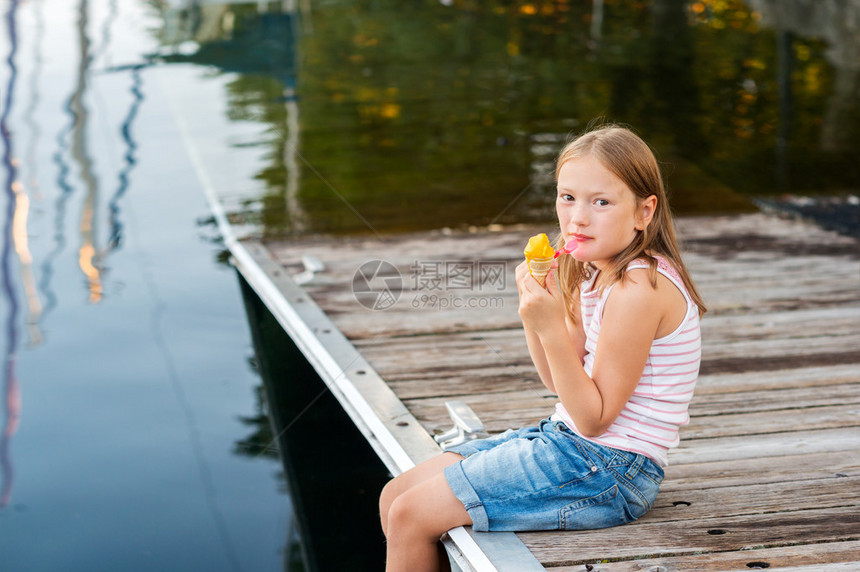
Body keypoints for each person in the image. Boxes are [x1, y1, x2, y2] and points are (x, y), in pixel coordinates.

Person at [378, 123, 706, 572]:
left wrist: (548, 326)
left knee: (411, 514)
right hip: (570, 442)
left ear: (643, 212)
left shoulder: (638, 289)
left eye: (601, 202)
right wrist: (535, 313)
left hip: (614, 470)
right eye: (567, 197)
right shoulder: (594, 269)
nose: (577, 218)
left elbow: (594, 418)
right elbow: (558, 381)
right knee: (395, 495)